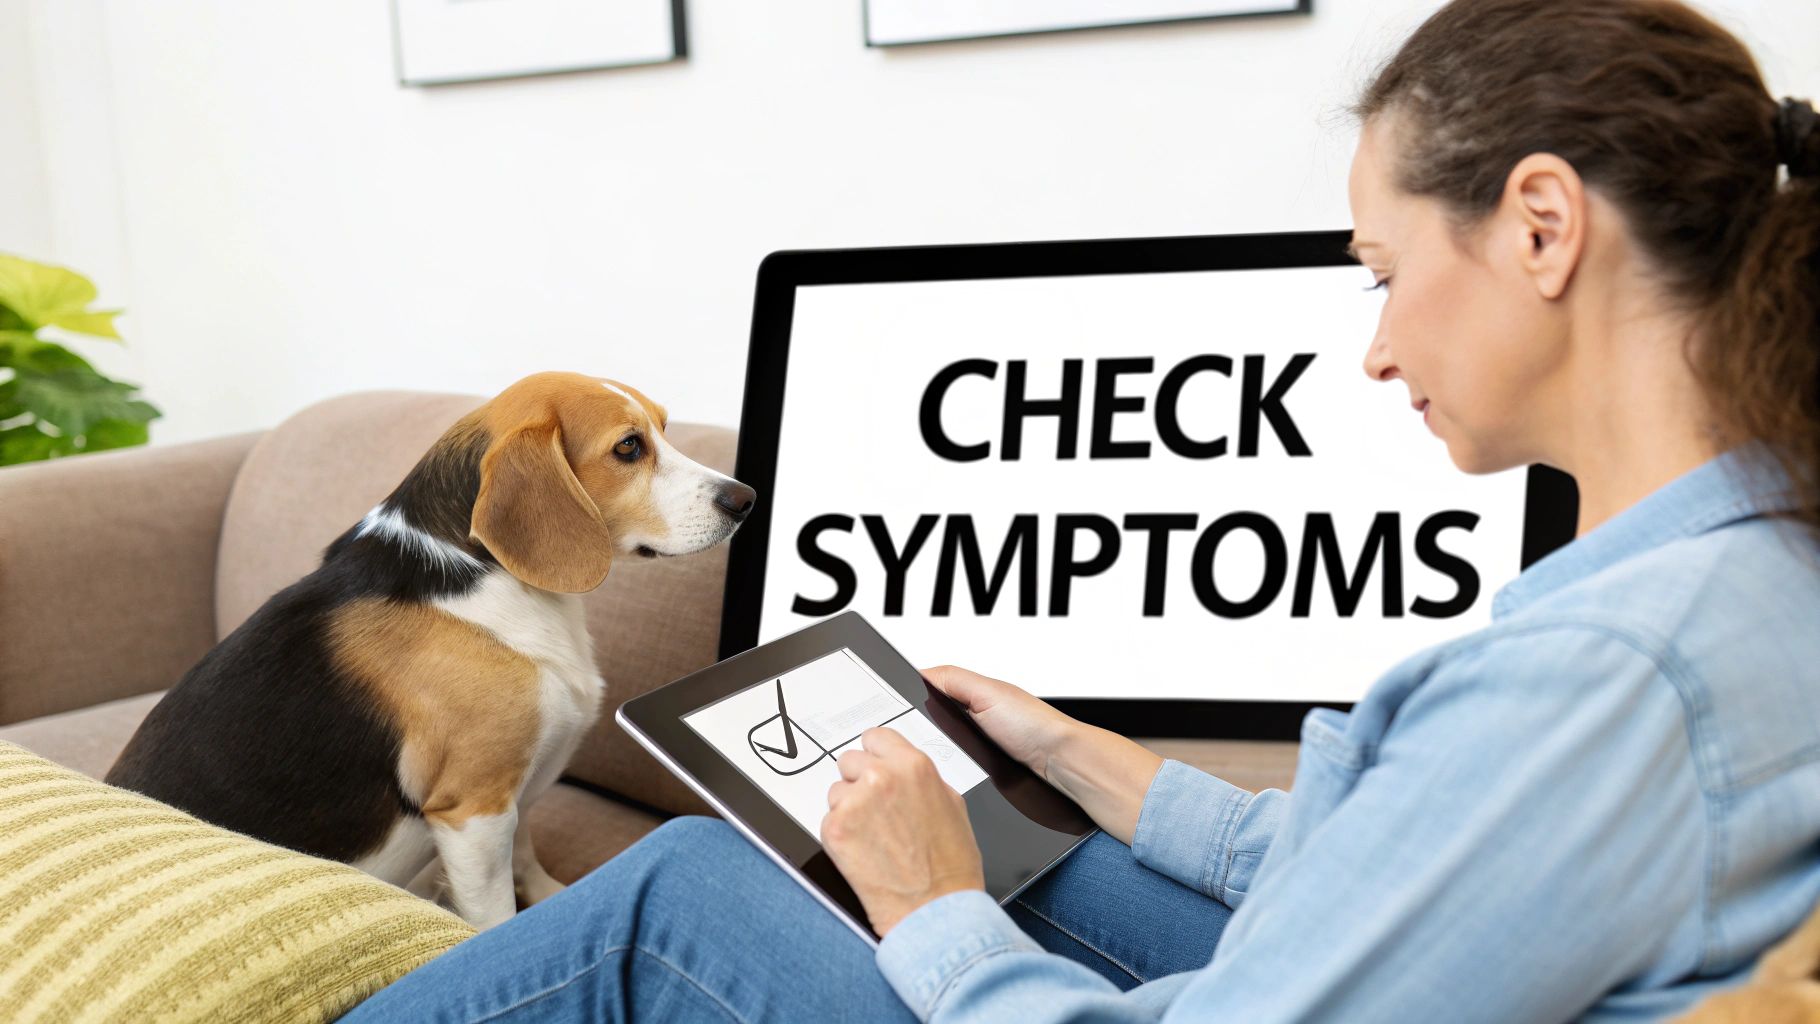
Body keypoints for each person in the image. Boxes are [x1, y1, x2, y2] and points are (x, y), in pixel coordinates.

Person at [343, 0, 1820, 1019]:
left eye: (1381, 272)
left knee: (685, 890)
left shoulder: (1605, 677)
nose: (1375, 345)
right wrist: (1087, 760)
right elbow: (1440, 874)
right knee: (1016, 844)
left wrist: (931, 910)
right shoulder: (1746, 571)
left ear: (1544, 227)